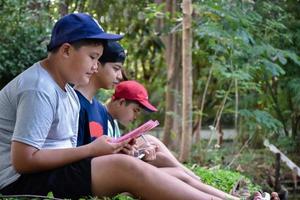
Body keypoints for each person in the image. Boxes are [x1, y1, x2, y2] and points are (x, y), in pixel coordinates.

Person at [0, 13, 234, 200]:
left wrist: (108, 148)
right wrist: (92, 150)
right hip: (19, 181)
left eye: (99, 58)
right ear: (66, 50)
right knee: (124, 167)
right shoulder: (39, 88)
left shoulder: (67, 91)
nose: (95, 67)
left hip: (50, 172)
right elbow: (23, 161)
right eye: (92, 57)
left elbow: (65, 149)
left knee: (126, 161)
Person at [74, 41, 241, 200]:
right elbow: (81, 155)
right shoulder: (75, 103)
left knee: (173, 168)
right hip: (95, 177)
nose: (119, 77)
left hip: (108, 172)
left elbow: (99, 151)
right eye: (116, 68)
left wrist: (127, 151)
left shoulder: (99, 109)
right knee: (173, 173)